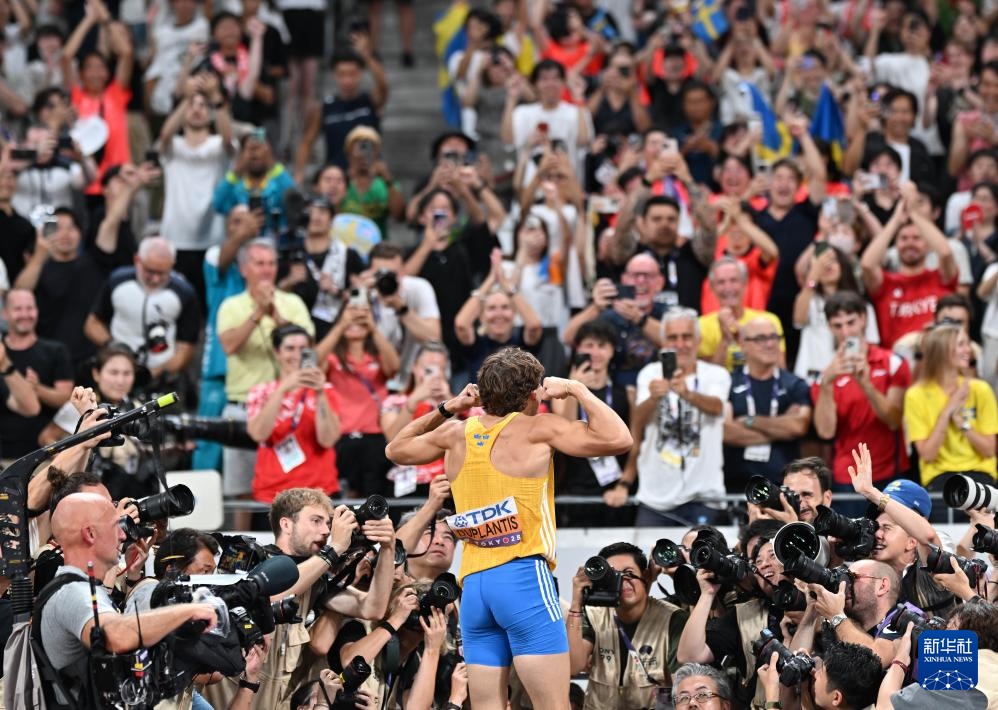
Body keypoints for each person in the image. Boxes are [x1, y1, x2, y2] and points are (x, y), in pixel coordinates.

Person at [386, 347, 632, 710]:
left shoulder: (456, 433)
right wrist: (578, 390)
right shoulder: (539, 428)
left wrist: (449, 407)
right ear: (533, 392)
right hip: (523, 579)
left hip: (474, 587)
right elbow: (619, 438)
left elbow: (396, 448)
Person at [37, 492, 218, 702]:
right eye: (116, 526)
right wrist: (190, 610)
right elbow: (117, 635)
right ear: (90, 534)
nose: (123, 536)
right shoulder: (74, 592)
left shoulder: (80, 588)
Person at [216, 239, 313, 520]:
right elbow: (229, 345)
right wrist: (258, 313)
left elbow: (308, 349)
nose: (267, 269)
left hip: (291, 406)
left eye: (271, 263)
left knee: (292, 487)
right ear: (244, 268)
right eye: (260, 263)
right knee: (242, 489)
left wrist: (277, 316)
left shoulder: (292, 303)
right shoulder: (231, 306)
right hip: (243, 405)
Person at [620, 308, 730, 526]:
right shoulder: (649, 374)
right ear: (663, 344)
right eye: (673, 338)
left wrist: (686, 393)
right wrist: (652, 398)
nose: (680, 344)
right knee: (651, 559)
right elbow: (637, 422)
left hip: (704, 496)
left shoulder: (716, 375)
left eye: (687, 337)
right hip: (655, 497)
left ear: (698, 341)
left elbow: (717, 407)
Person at [813, 291, 910, 507]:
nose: (846, 331)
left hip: (890, 472)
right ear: (829, 327)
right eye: (837, 325)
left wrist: (865, 383)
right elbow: (825, 431)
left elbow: (894, 419)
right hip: (848, 476)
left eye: (851, 322)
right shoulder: (824, 376)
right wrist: (827, 384)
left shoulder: (892, 363)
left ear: (864, 319)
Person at [568, 541, 687, 709]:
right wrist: (576, 602)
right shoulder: (594, 613)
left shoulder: (672, 618)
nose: (622, 581)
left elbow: (683, 688)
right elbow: (574, 666)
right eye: (612, 575)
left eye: (629, 573)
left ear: (646, 575)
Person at [158, 71, 236, 308]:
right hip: (175, 238)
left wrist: (217, 98)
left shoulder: (218, 146)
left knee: (209, 304)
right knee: (176, 305)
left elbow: (228, 139)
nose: (197, 109)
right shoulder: (174, 147)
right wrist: (185, 97)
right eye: (192, 105)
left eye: (203, 105)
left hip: (212, 238)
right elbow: (164, 135)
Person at [40, 343, 156, 501]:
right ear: (96, 374)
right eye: (113, 373)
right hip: (88, 491)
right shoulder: (82, 405)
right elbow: (46, 437)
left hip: (131, 491)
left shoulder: (138, 408)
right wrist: (68, 465)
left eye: (127, 373)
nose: (120, 380)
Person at [245, 324, 341, 504]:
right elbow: (258, 434)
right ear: (277, 352)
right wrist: (282, 389)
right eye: (289, 348)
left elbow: (327, 440)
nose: (296, 355)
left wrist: (319, 392)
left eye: (303, 349)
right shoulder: (260, 392)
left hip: (318, 492)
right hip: (272, 494)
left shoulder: (326, 391)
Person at [84, 237, 200, 382]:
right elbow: (92, 324)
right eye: (150, 271)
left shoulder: (184, 292)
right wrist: (113, 346)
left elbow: (186, 348)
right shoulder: (117, 281)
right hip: (118, 369)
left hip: (162, 375)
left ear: (172, 264)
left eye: (162, 273)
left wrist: (156, 372)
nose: (156, 279)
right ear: (137, 260)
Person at [315, 299, 399, 497]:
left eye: (362, 314)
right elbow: (311, 362)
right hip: (342, 439)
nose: (356, 318)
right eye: (350, 312)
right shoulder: (332, 359)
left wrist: (373, 327)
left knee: (374, 500)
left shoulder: (378, 358)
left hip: (375, 439)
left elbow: (394, 367)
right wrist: (341, 325)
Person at [861, 186, 959, 348]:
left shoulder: (940, 278)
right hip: (897, 364)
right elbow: (867, 264)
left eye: (916, 238)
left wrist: (915, 213)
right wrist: (896, 220)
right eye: (904, 238)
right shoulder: (885, 282)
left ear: (928, 246)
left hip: (934, 356)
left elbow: (945, 253)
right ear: (896, 244)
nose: (910, 243)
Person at [722, 316, 812, 492]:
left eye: (773, 337)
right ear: (742, 344)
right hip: (736, 487)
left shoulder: (795, 384)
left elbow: (798, 426)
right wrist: (781, 430)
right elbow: (726, 432)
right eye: (760, 339)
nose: (770, 344)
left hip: (784, 488)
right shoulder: (727, 383)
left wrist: (749, 421)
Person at [903, 324, 998, 490]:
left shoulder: (980, 389)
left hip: (980, 476)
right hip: (940, 480)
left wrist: (962, 424)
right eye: (961, 344)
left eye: (967, 343)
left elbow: (989, 450)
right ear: (942, 349)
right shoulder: (916, 395)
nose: (968, 349)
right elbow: (928, 454)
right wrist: (948, 411)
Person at [294, 40, 388, 180]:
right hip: (337, 178)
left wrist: (366, 57)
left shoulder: (369, 102)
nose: (347, 80)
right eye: (342, 74)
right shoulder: (325, 108)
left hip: (368, 175)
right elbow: (307, 142)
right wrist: (299, 175)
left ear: (360, 74)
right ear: (335, 75)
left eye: (352, 74)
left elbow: (383, 87)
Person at [0, 289, 70, 461]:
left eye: (29, 308)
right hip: (4, 456)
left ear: (37, 310)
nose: (25, 314)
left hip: (44, 455)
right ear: (5, 313)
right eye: (18, 309)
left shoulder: (55, 351)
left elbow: (66, 397)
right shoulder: (1, 352)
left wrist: (37, 388)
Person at [454, 248, 543, 381]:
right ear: (482, 316)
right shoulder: (476, 346)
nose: (499, 314)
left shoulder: (522, 344)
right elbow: (461, 324)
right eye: (491, 308)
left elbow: (535, 326)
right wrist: (491, 280)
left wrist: (505, 284)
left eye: (505, 307)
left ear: (514, 313)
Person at [381, 343, 454, 496]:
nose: (435, 375)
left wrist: (450, 402)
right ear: (414, 367)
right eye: (428, 370)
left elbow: (466, 438)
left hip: (447, 480)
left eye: (440, 369)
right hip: (407, 483)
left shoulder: (460, 403)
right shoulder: (395, 402)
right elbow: (392, 442)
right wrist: (412, 403)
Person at [698, 257, 786, 372]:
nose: (728, 288)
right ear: (712, 288)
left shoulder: (768, 321)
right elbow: (708, 378)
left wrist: (745, 336)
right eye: (721, 282)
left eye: (734, 280)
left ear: (745, 284)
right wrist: (725, 341)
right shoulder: (700, 325)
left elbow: (780, 369)